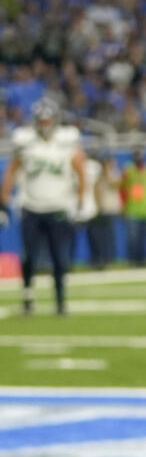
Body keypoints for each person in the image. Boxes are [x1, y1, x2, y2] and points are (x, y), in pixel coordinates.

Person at [0, 98, 85, 316]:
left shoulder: (67, 142)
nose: (45, 124)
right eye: (42, 120)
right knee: (29, 256)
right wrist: (2, 202)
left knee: (59, 257)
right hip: (31, 207)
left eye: (48, 120)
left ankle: (60, 301)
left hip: (57, 207)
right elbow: (11, 171)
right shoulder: (26, 142)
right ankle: (28, 298)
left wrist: (81, 201)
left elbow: (81, 171)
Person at [121, 147, 146, 267]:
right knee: (132, 238)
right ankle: (132, 261)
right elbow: (122, 189)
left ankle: (143, 260)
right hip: (132, 209)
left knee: (144, 238)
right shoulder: (129, 170)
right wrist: (123, 205)